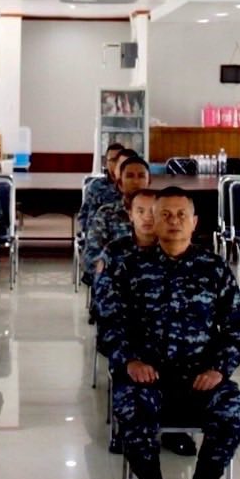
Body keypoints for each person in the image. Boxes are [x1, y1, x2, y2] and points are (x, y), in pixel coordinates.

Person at [100, 191, 240, 479]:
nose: (174, 221)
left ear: (194, 222)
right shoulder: (128, 268)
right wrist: (130, 361)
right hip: (146, 379)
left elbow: (239, 329)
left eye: (181, 215)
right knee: (131, 410)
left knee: (234, 412)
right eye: (165, 215)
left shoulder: (213, 268)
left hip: (200, 378)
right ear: (153, 222)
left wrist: (219, 369)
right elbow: (109, 326)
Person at [93, 187, 162, 455]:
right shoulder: (115, 253)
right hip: (129, 343)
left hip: (171, 344)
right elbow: (106, 311)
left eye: (153, 211)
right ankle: (126, 427)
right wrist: (129, 356)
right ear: (130, 215)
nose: (147, 217)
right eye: (140, 211)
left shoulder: (174, 249)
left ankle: (175, 431)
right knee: (130, 379)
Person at [86, 154, 151, 282]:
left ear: (149, 182)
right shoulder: (106, 213)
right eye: (130, 176)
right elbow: (91, 256)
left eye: (141, 176)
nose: (136, 181)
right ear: (120, 183)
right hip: (115, 280)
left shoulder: (159, 213)